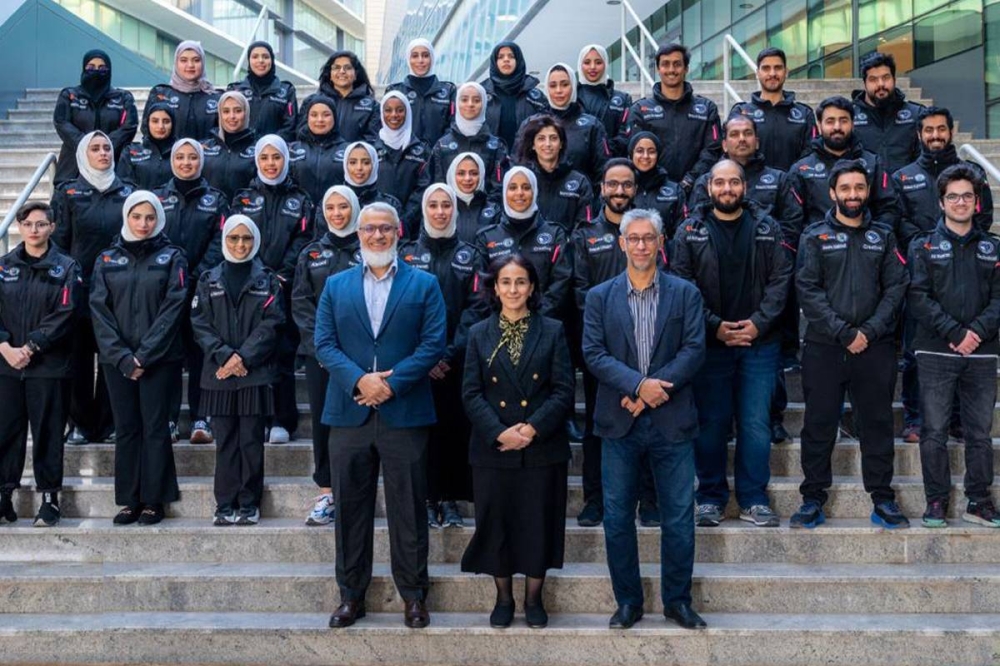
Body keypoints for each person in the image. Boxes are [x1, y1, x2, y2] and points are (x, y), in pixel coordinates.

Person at [316, 202, 447, 630]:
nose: (377, 235)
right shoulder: (335, 285)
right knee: (350, 509)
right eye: (370, 229)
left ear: (398, 233)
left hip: (404, 412)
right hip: (349, 412)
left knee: (408, 508)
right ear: (358, 234)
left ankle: (414, 595)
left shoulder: (424, 284)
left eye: (385, 229)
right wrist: (360, 381)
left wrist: (390, 385)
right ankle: (351, 596)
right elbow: (324, 344)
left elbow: (432, 344)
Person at [582, 208, 706, 630]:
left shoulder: (685, 294)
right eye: (633, 238)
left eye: (648, 238)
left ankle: (677, 601)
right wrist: (639, 386)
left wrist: (651, 392)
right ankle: (628, 602)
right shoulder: (599, 297)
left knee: (679, 518)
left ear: (660, 243)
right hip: (619, 422)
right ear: (621, 243)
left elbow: (694, 350)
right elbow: (594, 353)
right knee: (618, 518)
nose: (640, 245)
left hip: (672, 421)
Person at [673, 160, 792, 528]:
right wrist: (715, 327)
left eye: (734, 182)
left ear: (745, 186)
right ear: (709, 187)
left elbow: (781, 280)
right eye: (720, 182)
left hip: (760, 344)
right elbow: (683, 284)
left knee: (755, 424)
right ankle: (709, 497)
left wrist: (757, 324)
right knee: (711, 423)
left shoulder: (768, 227)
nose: (727, 189)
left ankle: (753, 499)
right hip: (710, 345)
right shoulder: (689, 230)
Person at [791, 160, 909, 530]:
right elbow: (807, 289)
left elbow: (896, 287)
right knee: (819, 423)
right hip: (825, 346)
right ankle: (812, 498)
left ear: (868, 191)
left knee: (877, 423)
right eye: (845, 188)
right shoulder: (814, 236)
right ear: (833, 193)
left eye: (859, 187)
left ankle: (883, 498)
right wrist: (844, 333)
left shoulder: (883, 236)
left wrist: (869, 331)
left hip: (875, 347)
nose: (853, 194)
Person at [461, 254, 573, 628]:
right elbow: (471, 392)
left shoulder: (553, 330)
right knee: (498, 524)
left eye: (521, 282)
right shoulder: (478, 333)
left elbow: (563, 389)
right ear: (495, 288)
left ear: (532, 287)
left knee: (538, 523)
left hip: (541, 446)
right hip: (493, 448)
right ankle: (504, 597)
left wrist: (531, 429)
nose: (513, 289)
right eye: (506, 282)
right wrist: (499, 432)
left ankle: (534, 598)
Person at [571, 159, 665, 528]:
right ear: (602, 189)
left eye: (627, 184)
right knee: (598, 429)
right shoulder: (585, 235)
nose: (620, 191)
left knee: (649, 424)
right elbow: (580, 291)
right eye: (613, 184)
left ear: (635, 189)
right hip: (603, 352)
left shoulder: (649, 232)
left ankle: (649, 498)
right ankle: (595, 499)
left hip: (647, 344)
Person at [894, 106, 995, 443]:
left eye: (941, 129)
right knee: (916, 352)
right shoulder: (903, 176)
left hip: (966, 271)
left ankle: (957, 419)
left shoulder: (974, 174)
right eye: (928, 130)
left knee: (964, 349)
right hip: (922, 273)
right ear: (919, 134)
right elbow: (898, 222)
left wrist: (954, 244)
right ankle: (915, 418)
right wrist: (928, 246)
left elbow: (983, 217)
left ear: (951, 132)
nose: (935, 135)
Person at [907, 165, 1000, 528]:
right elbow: (918, 296)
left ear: (977, 202)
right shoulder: (923, 246)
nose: (960, 202)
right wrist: (954, 332)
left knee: (979, 433)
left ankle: (979, 500)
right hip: (935, 351)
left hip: (982, 351)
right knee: (934, 431)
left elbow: (999, 299)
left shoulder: (993, 247)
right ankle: (936, 500)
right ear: (941, 202)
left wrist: (975, 332)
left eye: (967, 196)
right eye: (953, 196)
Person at [89, 191, 187, 526]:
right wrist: (122, 357)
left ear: (158, 218)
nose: (143, 224)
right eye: (136, 217)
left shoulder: (172, 257)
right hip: (117, 361)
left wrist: (144, 355)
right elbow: (99, 310)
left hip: (158, 358)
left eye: (149, 217)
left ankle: (154, 499)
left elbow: (174, 307)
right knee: (127, 427)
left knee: (155, 427)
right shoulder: (106, 259)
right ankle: (130, 499)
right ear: (126, 217)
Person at [399, 184, 487, 529]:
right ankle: (426, 497)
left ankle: (450, 499)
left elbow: (476, 309)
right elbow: (399, 309)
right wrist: (424, 358)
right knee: (421, 435)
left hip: (456, 363)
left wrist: (447, 355)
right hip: (415, 366)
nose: (439, 211)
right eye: (433, 205)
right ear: (424, 209)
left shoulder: (471, 256)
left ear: (454, 210)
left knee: (453, 431)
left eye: (446, 205)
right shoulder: (406, 254)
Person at [191, 215, 285, 526]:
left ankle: (249, 503)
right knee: (226, 441)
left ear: (255, 241)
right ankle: (224, 504)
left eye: (246, 238)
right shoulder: (209, 279)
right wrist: (224, 356)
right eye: (234, 238)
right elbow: (199, 323)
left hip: (253, 374)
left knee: (251, 441)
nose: (240, 244)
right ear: (224, 240)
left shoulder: (267, 279)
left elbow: (273, 323)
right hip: (218, 374)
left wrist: (243, 357)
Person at [50, 131, 134, 445]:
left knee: (112, 357)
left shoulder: (128, 192)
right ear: (83, 154)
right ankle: (81, 424)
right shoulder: (68, 193)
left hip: (119, 289)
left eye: (107, 148)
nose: (102, 153)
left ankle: (108, 422)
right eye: (95, 148)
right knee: (80, 358)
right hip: (80, 289)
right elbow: (59, 243)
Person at [229, 134, 313, 444]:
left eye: (276, 157)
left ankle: (282, 419)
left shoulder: (300, 199)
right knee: (254, 351)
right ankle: (258, 417)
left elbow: (304, 239)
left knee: (282, 353)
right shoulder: (243, 198)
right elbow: (237, 236)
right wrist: (257, 274)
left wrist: (281, 274)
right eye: (264, 158)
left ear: (286, 160)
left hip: (285, 285)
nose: (270, 163)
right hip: (251, 285)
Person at [0, 203, 80, 527]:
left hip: (48, 366)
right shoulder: (4, 266)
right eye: (28, 223)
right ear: (19, 226)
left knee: (47, 432)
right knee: (6, 432)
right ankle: (4, 496)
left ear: (52, 227)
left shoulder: (66, 267)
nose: (34, 230)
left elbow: (66, 313)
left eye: (41, 224)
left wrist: (31, 346)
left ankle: (49, 499)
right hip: (7, 365)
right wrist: (4, 346)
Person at [291, 185, 362, 526]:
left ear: (354, 209)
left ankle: (358, 489)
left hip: (360, 355)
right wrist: (322, 347)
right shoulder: (311, 253)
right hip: (320, 355)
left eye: (343, 206)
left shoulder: (367, 248)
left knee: (361, 420)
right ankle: (326, 490)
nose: (337, 213)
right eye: (330, 207)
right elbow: (301, 303)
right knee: (322, 420)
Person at [155, 138, 228, 443]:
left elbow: (220, 240)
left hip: (202, 287)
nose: (186, 162)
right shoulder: (158, 197)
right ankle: (170, 419)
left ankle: (202, 418)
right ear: (172, 161)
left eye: (192, 157)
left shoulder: (216, 199)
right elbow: (153, 236)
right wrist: (174, 277)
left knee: (201, 354)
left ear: (201, 161)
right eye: (180, 157)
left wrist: (196, 276)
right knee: (169, 355)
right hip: (167, 290)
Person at [788, 96, 900, 238]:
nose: (837, 127)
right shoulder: (802, 169)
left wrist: (873, 239)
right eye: (830, 121)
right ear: (819, 125)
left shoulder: (873, 163)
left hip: (867, 245)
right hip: (820, 245)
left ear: (852, 124)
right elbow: (792, 218)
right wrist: (813, 241)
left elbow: (888, 208)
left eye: (843, 120)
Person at [617, 44, 721, 195]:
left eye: (677, 64)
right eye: (665, 64)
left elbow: (712, 150)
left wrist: (690, 180)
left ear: (686, 68)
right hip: (653, 192)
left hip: (697, 190)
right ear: (658, 69)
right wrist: (662, 183)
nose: (671, 70)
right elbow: (636, 153)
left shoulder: (707, 108)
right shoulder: (640, 109)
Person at [475, 167, 572, 319]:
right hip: (498, 323)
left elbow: (561, 282)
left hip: (543, 322)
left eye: (526, 187)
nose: (519, 193)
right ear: (504, 192)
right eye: (513, 187)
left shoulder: (555, 234)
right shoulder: (486, 237)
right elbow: (482, 285)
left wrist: (535, 318)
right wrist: (504, 317)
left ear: (535, 192)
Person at [53, 50, 138, 186]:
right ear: (83, 69)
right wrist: (86, 145)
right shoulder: (69, 95)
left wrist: (104, 147)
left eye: (102, 68)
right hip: (72, 166)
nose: (96, 71)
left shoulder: (123, 97)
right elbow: (61, 122)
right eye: (91, 67)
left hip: (113, 165)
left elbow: (129, 126)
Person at [730, 47, 816, 171]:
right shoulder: (741, 112)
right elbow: (732, 154)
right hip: (751, 182)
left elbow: (811, 155)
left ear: (786, 72)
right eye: (766, 68)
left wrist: (791, 178)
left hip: (793, 181)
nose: (772, 74)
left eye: (778, 68)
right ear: (757, 73)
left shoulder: (805, 114)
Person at [514, 114, 594, 234]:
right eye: (541, 139)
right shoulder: (523, 179)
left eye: (553, 138)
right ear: (533, 145)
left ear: (561, 144)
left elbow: (585, 228)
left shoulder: (579, 182)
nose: (548, 144)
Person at [431, 82, 509, 203]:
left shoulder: (496, 146)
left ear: (484, 104)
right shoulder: (442, 145)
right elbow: (437, 186)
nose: (470, 104)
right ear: (457, 103)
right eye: (464, 100)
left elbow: (499, 189)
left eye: (476, 100)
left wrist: (486, 211)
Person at [534, 64, 610, 184]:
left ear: (573, 86)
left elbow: (603, 170)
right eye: (553, 85)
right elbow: (521, 164)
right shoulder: (532, 124)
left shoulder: (592, 126)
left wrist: (589, 194)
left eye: (564, 84)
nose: (559, 90)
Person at [852, 52, 924, 175]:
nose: (881, 84)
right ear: (865, 83)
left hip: (908, 184)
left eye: (886, 78)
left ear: (894, 79)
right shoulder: (849, 116)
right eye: (873, 79)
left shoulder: (916, 114)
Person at [374, 92, 431, 236]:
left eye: (400, 110)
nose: (394, 115)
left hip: (412, 227)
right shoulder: (372, 149)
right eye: (388, 110)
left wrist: (405, 218)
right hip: (378, 224)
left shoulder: (421, 151)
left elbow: (424, 187)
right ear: (381, 113)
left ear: (408, 113)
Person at [144, 41, 220, 142]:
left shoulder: (216, 97)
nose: (190, 65)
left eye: (196, 60)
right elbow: (147, 131)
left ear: (203, 63)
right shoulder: (161, 94)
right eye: (184, 60)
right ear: (176, 63)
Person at [386, 38, 455, 148]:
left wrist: (439, 149)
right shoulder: (395, 91)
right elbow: (388, 127)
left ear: (432, 58)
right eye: (415, 56)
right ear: (408, 59)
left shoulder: (448, 91)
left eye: (425, 55)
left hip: (439, 155)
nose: (420, 60)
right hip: (405, 155)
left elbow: (453, 126)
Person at [227, 40, 298, 142]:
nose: (260, 60)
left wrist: (269, 145)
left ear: (272, 60)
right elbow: (226, 124)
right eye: (255, 57)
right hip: (241, 149)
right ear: (249, 61)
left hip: (274, 149)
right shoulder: (235, 90)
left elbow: (290, 126)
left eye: (265, 57)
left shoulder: (286, 90)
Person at [303, 50, 379, 143]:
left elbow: (372, 139)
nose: (342, 71)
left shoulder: (372, 106)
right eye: (336, 68)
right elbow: (303, 135)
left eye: (348, 68)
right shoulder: (312, 102)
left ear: (356, 74)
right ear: (330, 74)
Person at [481, 41, 546, 149]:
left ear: (518, 60)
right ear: (494, 62)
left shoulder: (535, 96)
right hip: (491, 156)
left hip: (526, 156)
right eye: (501, 57)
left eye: (511, 56)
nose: (506, 59)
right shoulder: (482, 93)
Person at [288, 95, 347, 209]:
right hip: (299, 213)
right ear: (307, 118)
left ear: (334, 117)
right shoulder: (292, 149)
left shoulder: (347, 150)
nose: (320, 120)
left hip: (334, 214)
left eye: (326, 115)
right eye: (314, 115)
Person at [627, 132, 687, 242]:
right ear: (631, 154)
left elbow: (682, 232)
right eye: (640, 151)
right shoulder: (621, 189)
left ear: (658, 155)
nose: (645, 156)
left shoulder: (675, 191)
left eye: (651, 151)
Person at [577, 44, 632, 155]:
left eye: (598, 62)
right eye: (587, 62)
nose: (592, 67)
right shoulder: (571, 97)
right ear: (580, 65)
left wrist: (604, 151)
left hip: (612, 162)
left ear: (606, 64)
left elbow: (625, 135)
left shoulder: (623, 99)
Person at [202, 90, 258, 200]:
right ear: (220, 114)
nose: (232, 116)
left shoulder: (258, 148)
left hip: (244, 208)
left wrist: (244, 205)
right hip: (211, 208)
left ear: (246, 113)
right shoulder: (205, 147)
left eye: (238, 111)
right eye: (226, 111)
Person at [116, 102, 176, 190]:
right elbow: (124, 185)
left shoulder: (180, 152)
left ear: (173, 124)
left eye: (166, 121)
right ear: (147, 123)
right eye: (155, 121)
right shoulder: (130, 152)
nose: (160, 126)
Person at [342, 141, 404, 226]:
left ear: (374, 164)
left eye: (366, 163)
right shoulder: (333, 201)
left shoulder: (390, 204)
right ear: (345, 165)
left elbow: (399, 233)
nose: (359, 168)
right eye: (353, 162)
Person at [447, 152, 502, 244]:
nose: (467, 178)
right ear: (452, 175)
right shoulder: (442, 209)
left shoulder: (494, 210)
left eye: (474, 173)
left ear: (481, 175)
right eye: (461, 173)